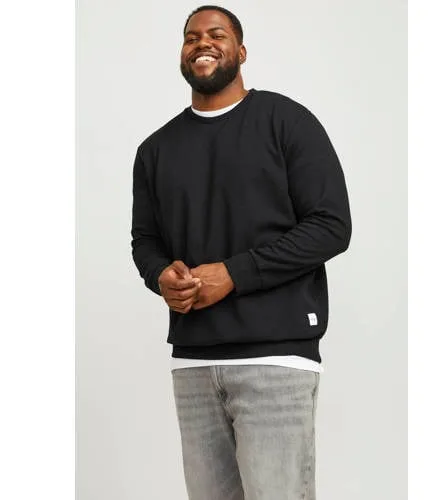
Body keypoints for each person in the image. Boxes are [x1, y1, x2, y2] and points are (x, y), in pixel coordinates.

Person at [131, 5, 352, 499]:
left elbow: (332, 226)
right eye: (191, 37)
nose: (202, 43)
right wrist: (161, 275)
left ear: (241, 51)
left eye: (217, 34)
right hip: (192, 362)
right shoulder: (155, 149)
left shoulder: (286, 122)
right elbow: (145, 240)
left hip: (276, 358)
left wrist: (234, 274)